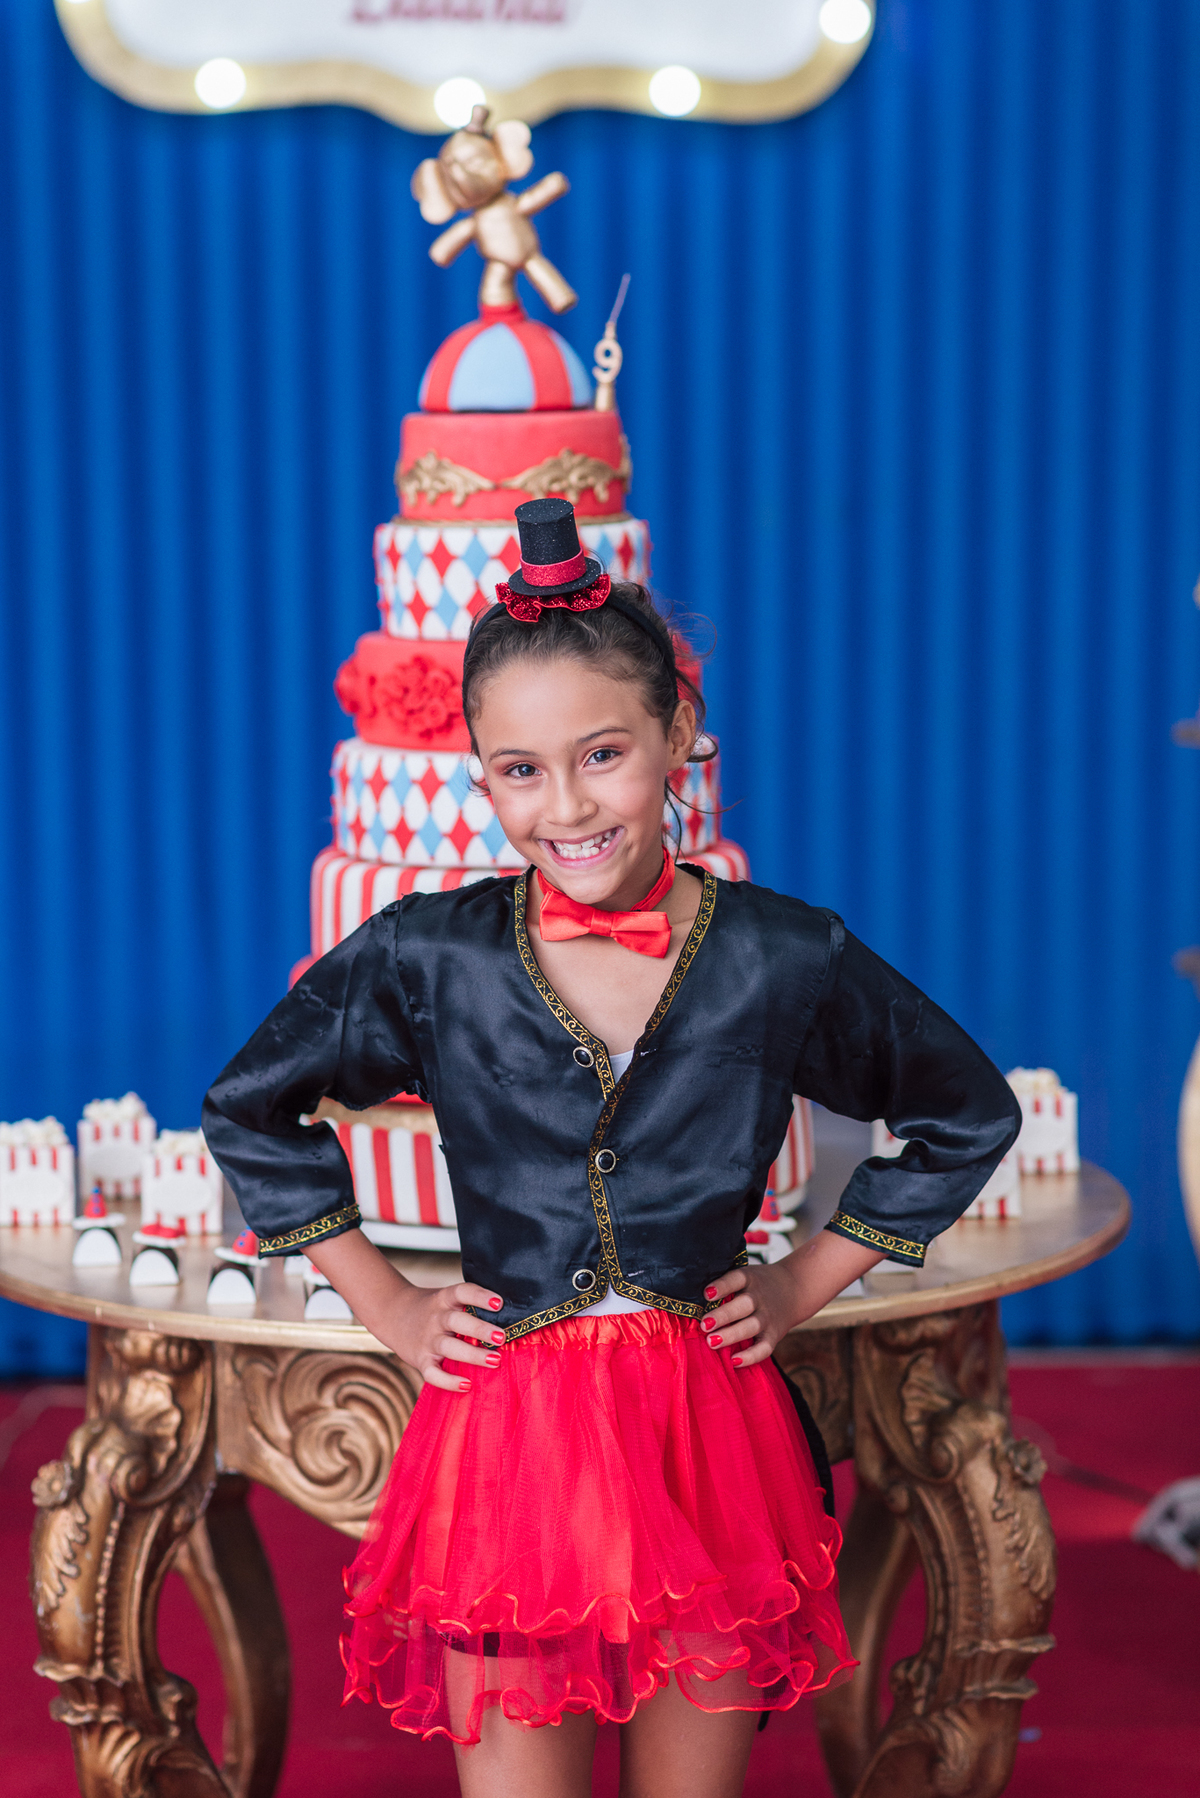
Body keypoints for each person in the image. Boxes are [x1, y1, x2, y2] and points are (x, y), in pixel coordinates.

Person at [203, 497, 1021, 1798]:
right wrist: (390, 1305)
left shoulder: (781, 954)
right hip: (509, 1437)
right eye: (520, 770)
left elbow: (966, 1109)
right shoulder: (430, 954)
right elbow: (251, 1103)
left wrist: (802, 1281)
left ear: (678, 733)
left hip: (710, 1436)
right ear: (481, 776)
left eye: (602, 754)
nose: (568, 805)